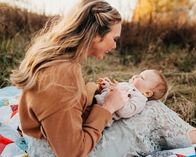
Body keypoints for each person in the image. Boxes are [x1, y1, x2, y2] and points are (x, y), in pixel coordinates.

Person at [10, 0, 128, 157]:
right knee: (151, 113)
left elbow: (63, 105)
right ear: (95, 35)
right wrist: (108, 107)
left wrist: (93, 88)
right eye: (114, 39)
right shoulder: (61, 75)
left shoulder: (61, 58)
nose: (114, 47)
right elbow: (71, 152)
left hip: (44, 137)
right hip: (53, 150)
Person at [95, 69, 168, 123]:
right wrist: (106, 86)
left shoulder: (139, 100)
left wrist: (118, 95)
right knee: (91, 87)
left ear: (147, 93)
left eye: (141, 77)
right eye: (139, 74)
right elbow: (110, 91)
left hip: (102, 114)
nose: (136, 76)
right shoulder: (126, 85)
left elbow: (124, 112)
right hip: (98, 100)